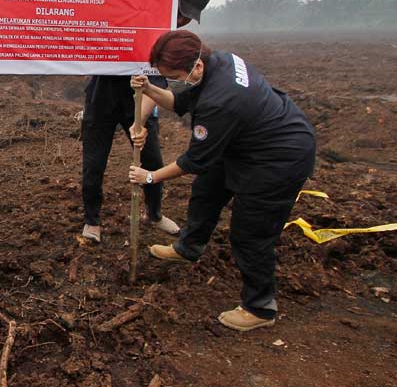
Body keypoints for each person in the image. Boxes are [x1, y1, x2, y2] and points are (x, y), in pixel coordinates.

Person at [128, 30, 316, 331]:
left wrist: (150, 177)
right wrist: (150, 88)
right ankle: (188, 247)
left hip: (278, 157)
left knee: (251, 232)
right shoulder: (217, 62)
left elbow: (195, 160)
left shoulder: (220, 100)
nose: (176, 80)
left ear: (196, 67)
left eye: (176, 75)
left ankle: (260, 307)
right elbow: (179, 101)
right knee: (207, 191)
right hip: (243, 143)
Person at [81, 0, 212, 243]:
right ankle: (92, 220)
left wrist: (138, 122)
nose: (182, 20)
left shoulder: (174, 40)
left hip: (141, 98)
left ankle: (154, 214)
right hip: (102, 96)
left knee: (152, 161)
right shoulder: (138, 12)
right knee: (94, 164)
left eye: (187, 17)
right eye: (180, 12)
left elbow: (160, 82)